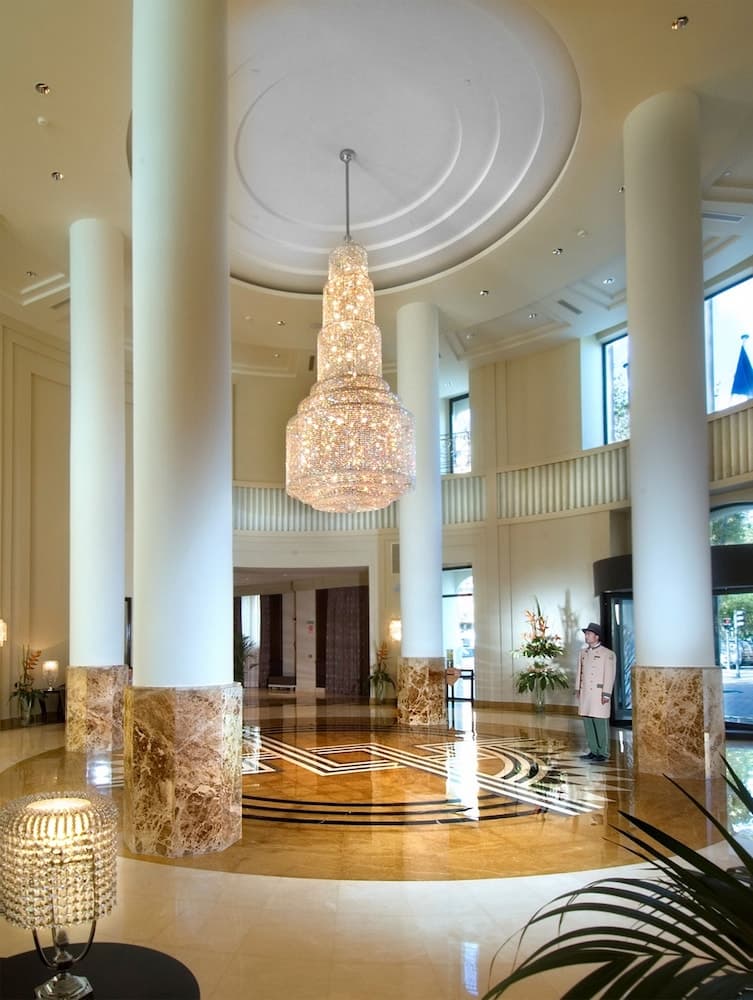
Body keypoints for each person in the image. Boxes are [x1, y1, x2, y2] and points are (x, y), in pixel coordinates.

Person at [575, 622, 616, 762]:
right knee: (588, 721)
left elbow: (609, 675)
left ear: (597, 636)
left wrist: (606, 693)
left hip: (599, 693)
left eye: (589, 634)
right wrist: (577, 688)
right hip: (586, 692)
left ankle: (603, 752)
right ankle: (593, 750)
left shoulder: (607, 654)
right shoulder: (583, 653)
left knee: (600, 721)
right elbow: (579, 672)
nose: (586, 636)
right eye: (586, 634)